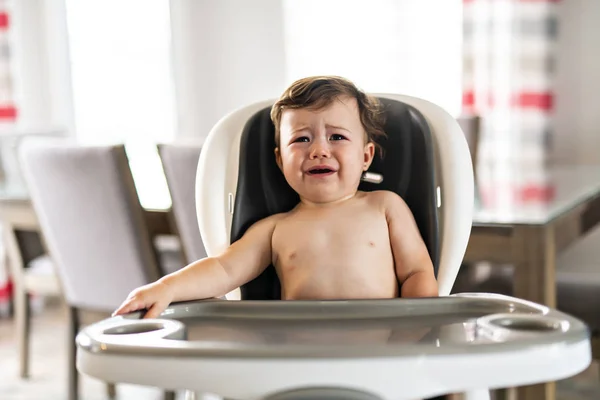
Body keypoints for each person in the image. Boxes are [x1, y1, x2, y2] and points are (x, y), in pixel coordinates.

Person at [113, 76, 438, 319]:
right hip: (298, 354)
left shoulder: (385, 207)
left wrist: (417, 329)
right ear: (281, 160)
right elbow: (223, 271)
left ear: (366, 157)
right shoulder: (275, 229)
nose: (319, 150)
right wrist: (166, 288)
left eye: (337, 136)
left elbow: (417, 273)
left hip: (382, 348)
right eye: (301, 139)